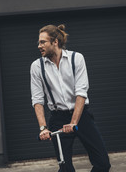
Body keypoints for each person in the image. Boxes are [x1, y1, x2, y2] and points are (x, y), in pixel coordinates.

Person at [30, 24, 111, 172]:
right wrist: (43, 128)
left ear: (55, 42)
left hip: (82, 116)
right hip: (58, 118)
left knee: (103, 163)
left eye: (43, 42)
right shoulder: (36, 66)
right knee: (65, 168)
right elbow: (37, 99)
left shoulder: (76, 58)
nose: (39, 46)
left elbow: (81, 92)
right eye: (38, 42)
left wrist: (73, 122)